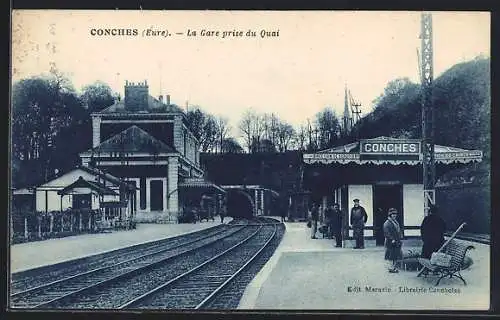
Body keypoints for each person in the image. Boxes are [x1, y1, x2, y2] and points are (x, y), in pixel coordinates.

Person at [383, 208, 403, 273]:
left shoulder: (395, 222)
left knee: (396, 255)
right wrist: (392, 239)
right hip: (391, 241)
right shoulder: (387, 223)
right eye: (393, 214)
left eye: (395, 214)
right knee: (391, 255)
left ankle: (394, 267)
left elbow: (398, 230)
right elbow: (386, 233)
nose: (394, 215)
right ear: (390, 215)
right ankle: (391, 268)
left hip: (396, 241)